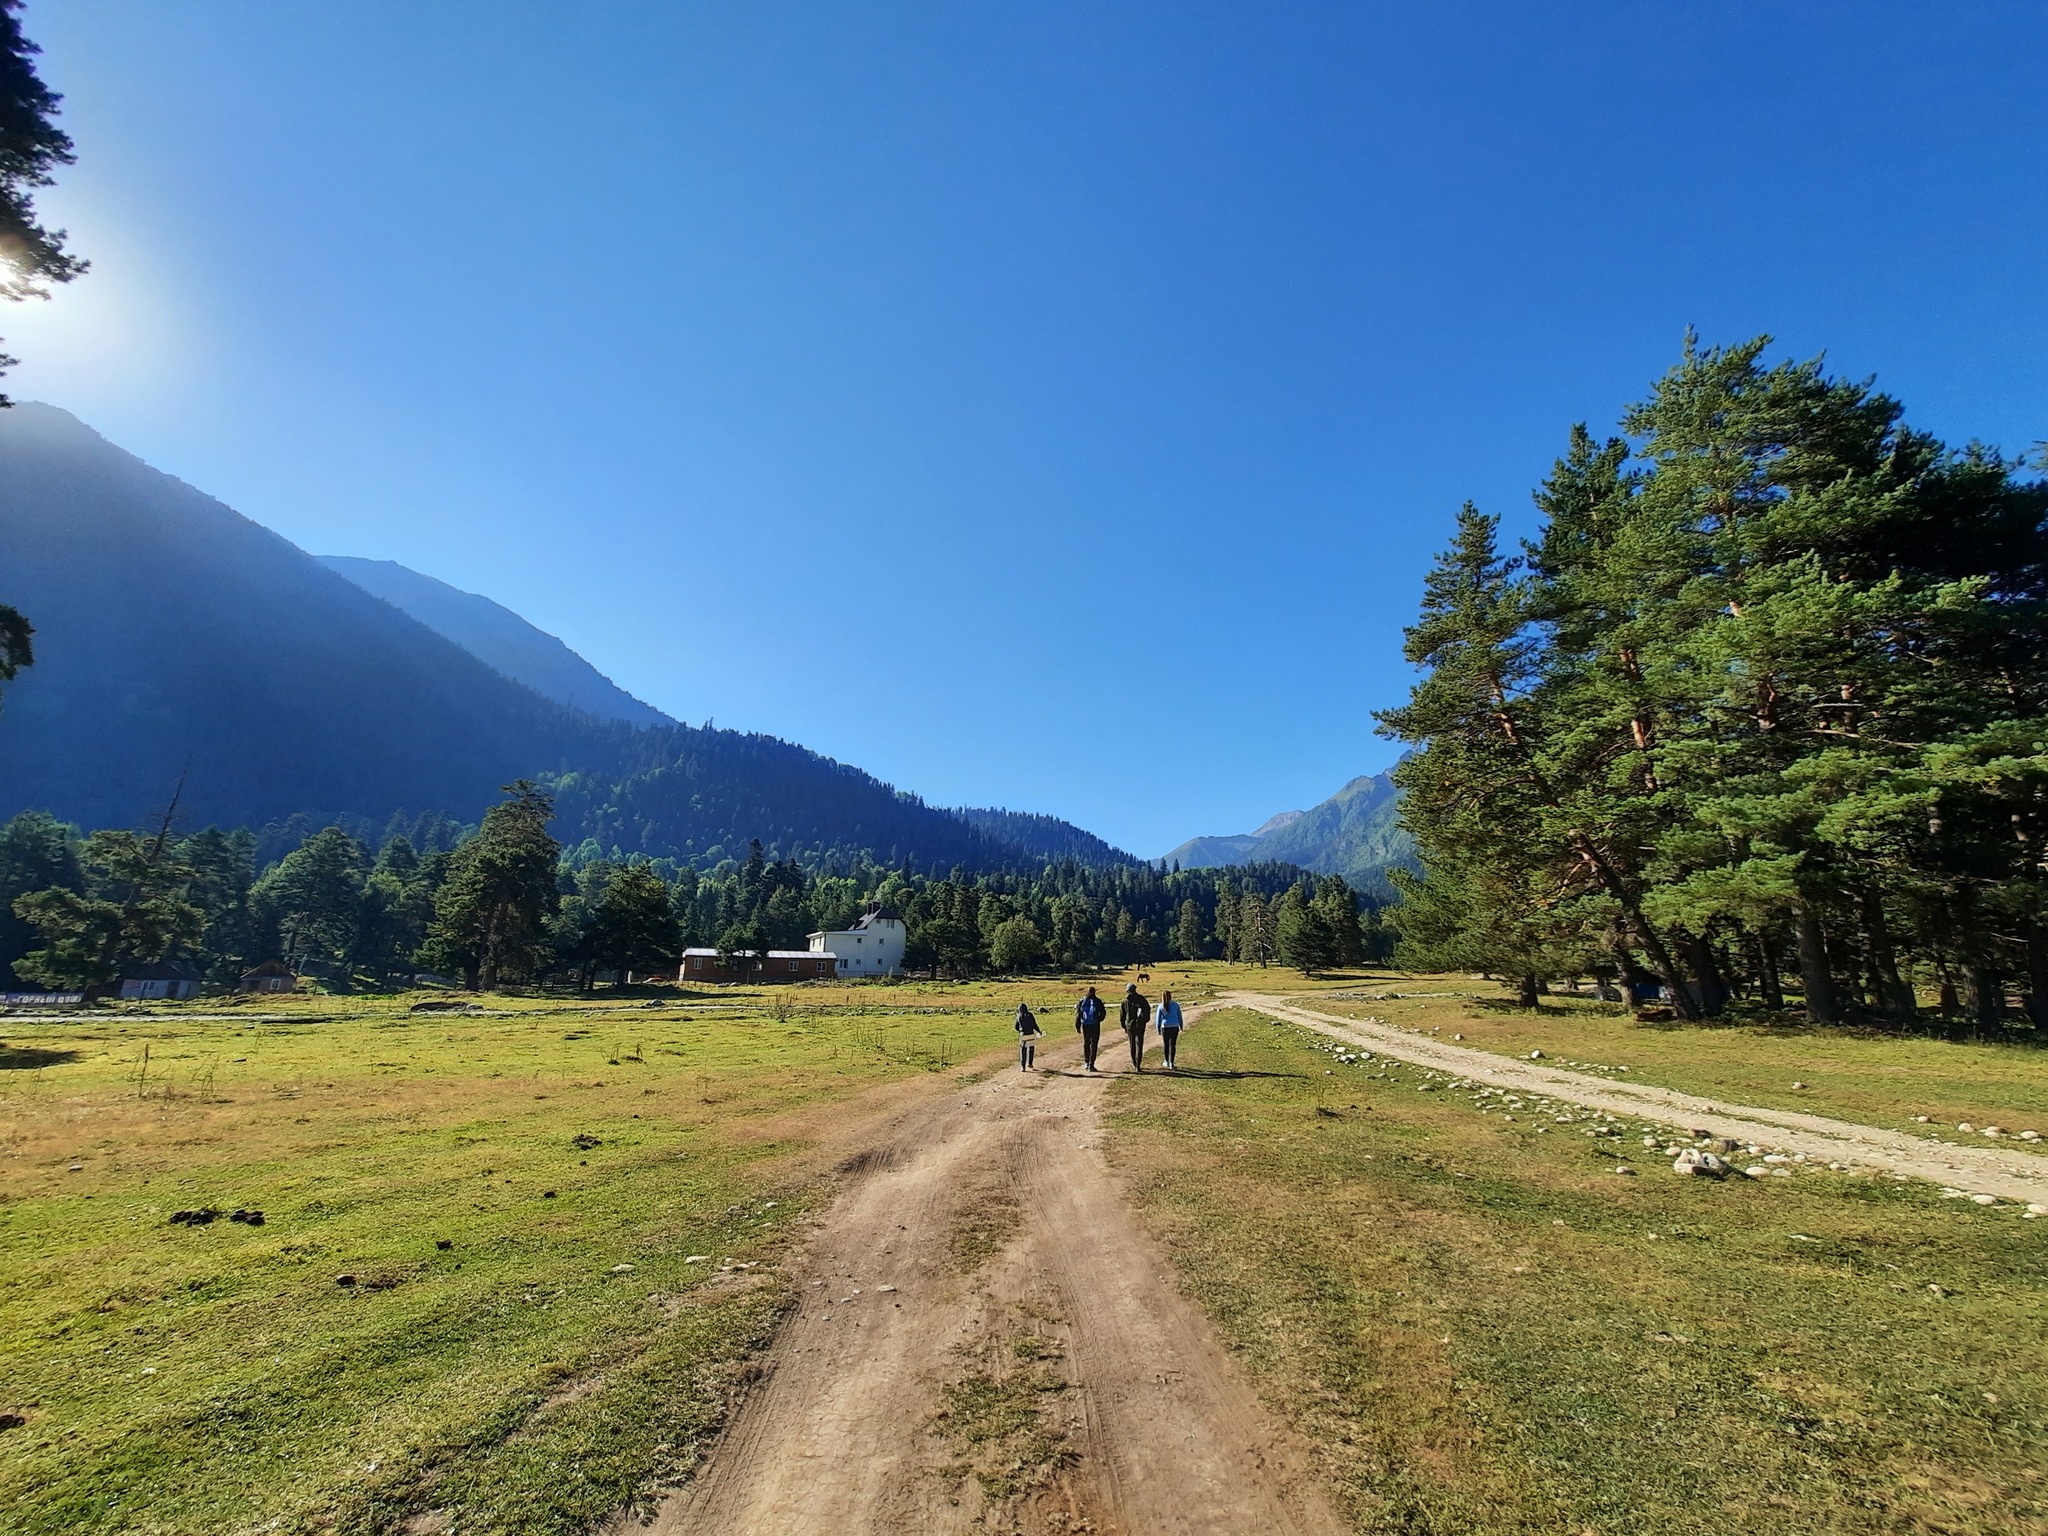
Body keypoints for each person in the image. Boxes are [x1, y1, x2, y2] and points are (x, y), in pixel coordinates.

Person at [1120, 982, 1151, 1072]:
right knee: (1139, 1044)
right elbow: (1147, 1011)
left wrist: (1124, 1025)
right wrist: (1143, 1021)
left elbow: (1122, 1015)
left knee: (1132, 1045)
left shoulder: (1125, 1001)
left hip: (1130, 1026)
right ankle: (1138, 1064)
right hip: (1140, 1026)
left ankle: (1134, 1062)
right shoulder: (1141, 999)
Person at [1074, 985, 1106, 1071]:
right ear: (1094, 992)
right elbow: (1103, 1013)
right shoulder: (1098, 1001)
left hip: (1085, 1025)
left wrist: (1077, 1025)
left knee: (1086, 1043)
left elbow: (1078, 1013)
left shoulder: (1082, 1001)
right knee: (1094, 1044)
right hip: (1095, 1024)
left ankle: (1086, 1062)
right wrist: (1099, 1020)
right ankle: (1091, 1065)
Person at [1157, 989, 1184, 1071]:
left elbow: (1158, 1019)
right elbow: (1179, 1016)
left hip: (1165, 1027)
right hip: (1174, 1026)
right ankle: (1172, 1063)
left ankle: (1166, 1061)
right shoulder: (1176, 1005)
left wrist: (1158, 1028)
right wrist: (1181, 1025)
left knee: (1166, 1044)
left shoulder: (1161, 1006)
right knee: (1172, 1045)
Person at [1014, 1001, 1042, 1071]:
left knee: (1023, 1050)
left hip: (1023, 1034)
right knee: (1031, 1049)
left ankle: (1023, 1067)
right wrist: (1039, 1031)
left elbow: (1015, 1026)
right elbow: (1034, 1024)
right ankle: (1030, 1063)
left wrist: (1020, 1031)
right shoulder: (1030, 1015)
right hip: (1031, 1034)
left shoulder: (1019, 1016)